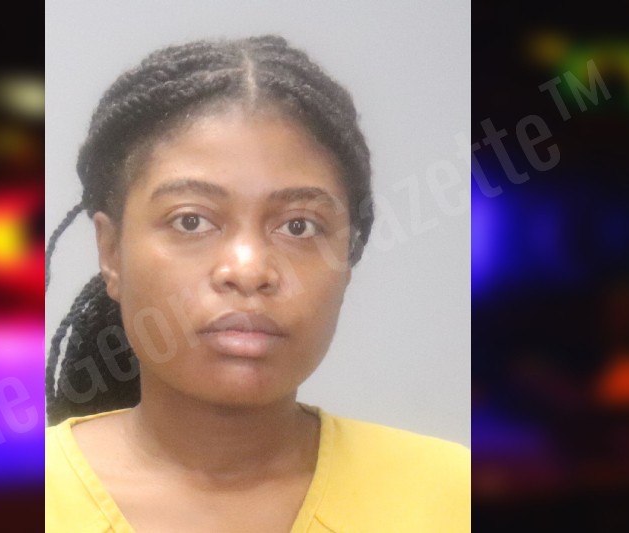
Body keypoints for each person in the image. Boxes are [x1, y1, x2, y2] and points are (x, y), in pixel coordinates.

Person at [45, 35, 469, 533]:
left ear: (348, 259)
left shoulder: (453, 496)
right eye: (190, 221)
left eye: (299, 226)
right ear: (111, 252)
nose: (248, 271)